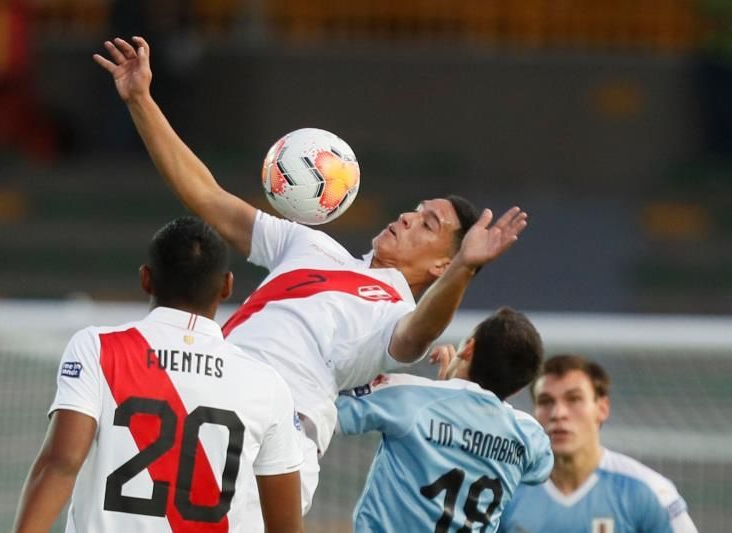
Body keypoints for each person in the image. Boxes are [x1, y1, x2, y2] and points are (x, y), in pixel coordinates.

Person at [93, 35, 529, 514]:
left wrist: (466, 270)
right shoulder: (312, 244)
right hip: (207, 413)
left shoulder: (396, 313)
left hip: (274, 444)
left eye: (428, 224)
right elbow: (211, 199)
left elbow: (415, 336)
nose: (407, 217)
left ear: (443, 264)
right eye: (415, 209)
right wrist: (141, 101)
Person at [12, 217, 304, 533]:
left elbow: (62, 463)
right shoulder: (266, 383)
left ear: (146, 279)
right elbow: (286, 527)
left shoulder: (99, 348)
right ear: (227, 285)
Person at [336, 307, 553, 532]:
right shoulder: (529, 436)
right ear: (518, 388)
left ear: (468, 349)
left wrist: (445, 395)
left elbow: (329, 416)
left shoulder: (408, 396)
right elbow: (541, 470)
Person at [499, 354, 698, 533]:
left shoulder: (647, 491)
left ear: (602, 408)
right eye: (546, 402)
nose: (558, 414)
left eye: (574, 399)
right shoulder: (507, 491)